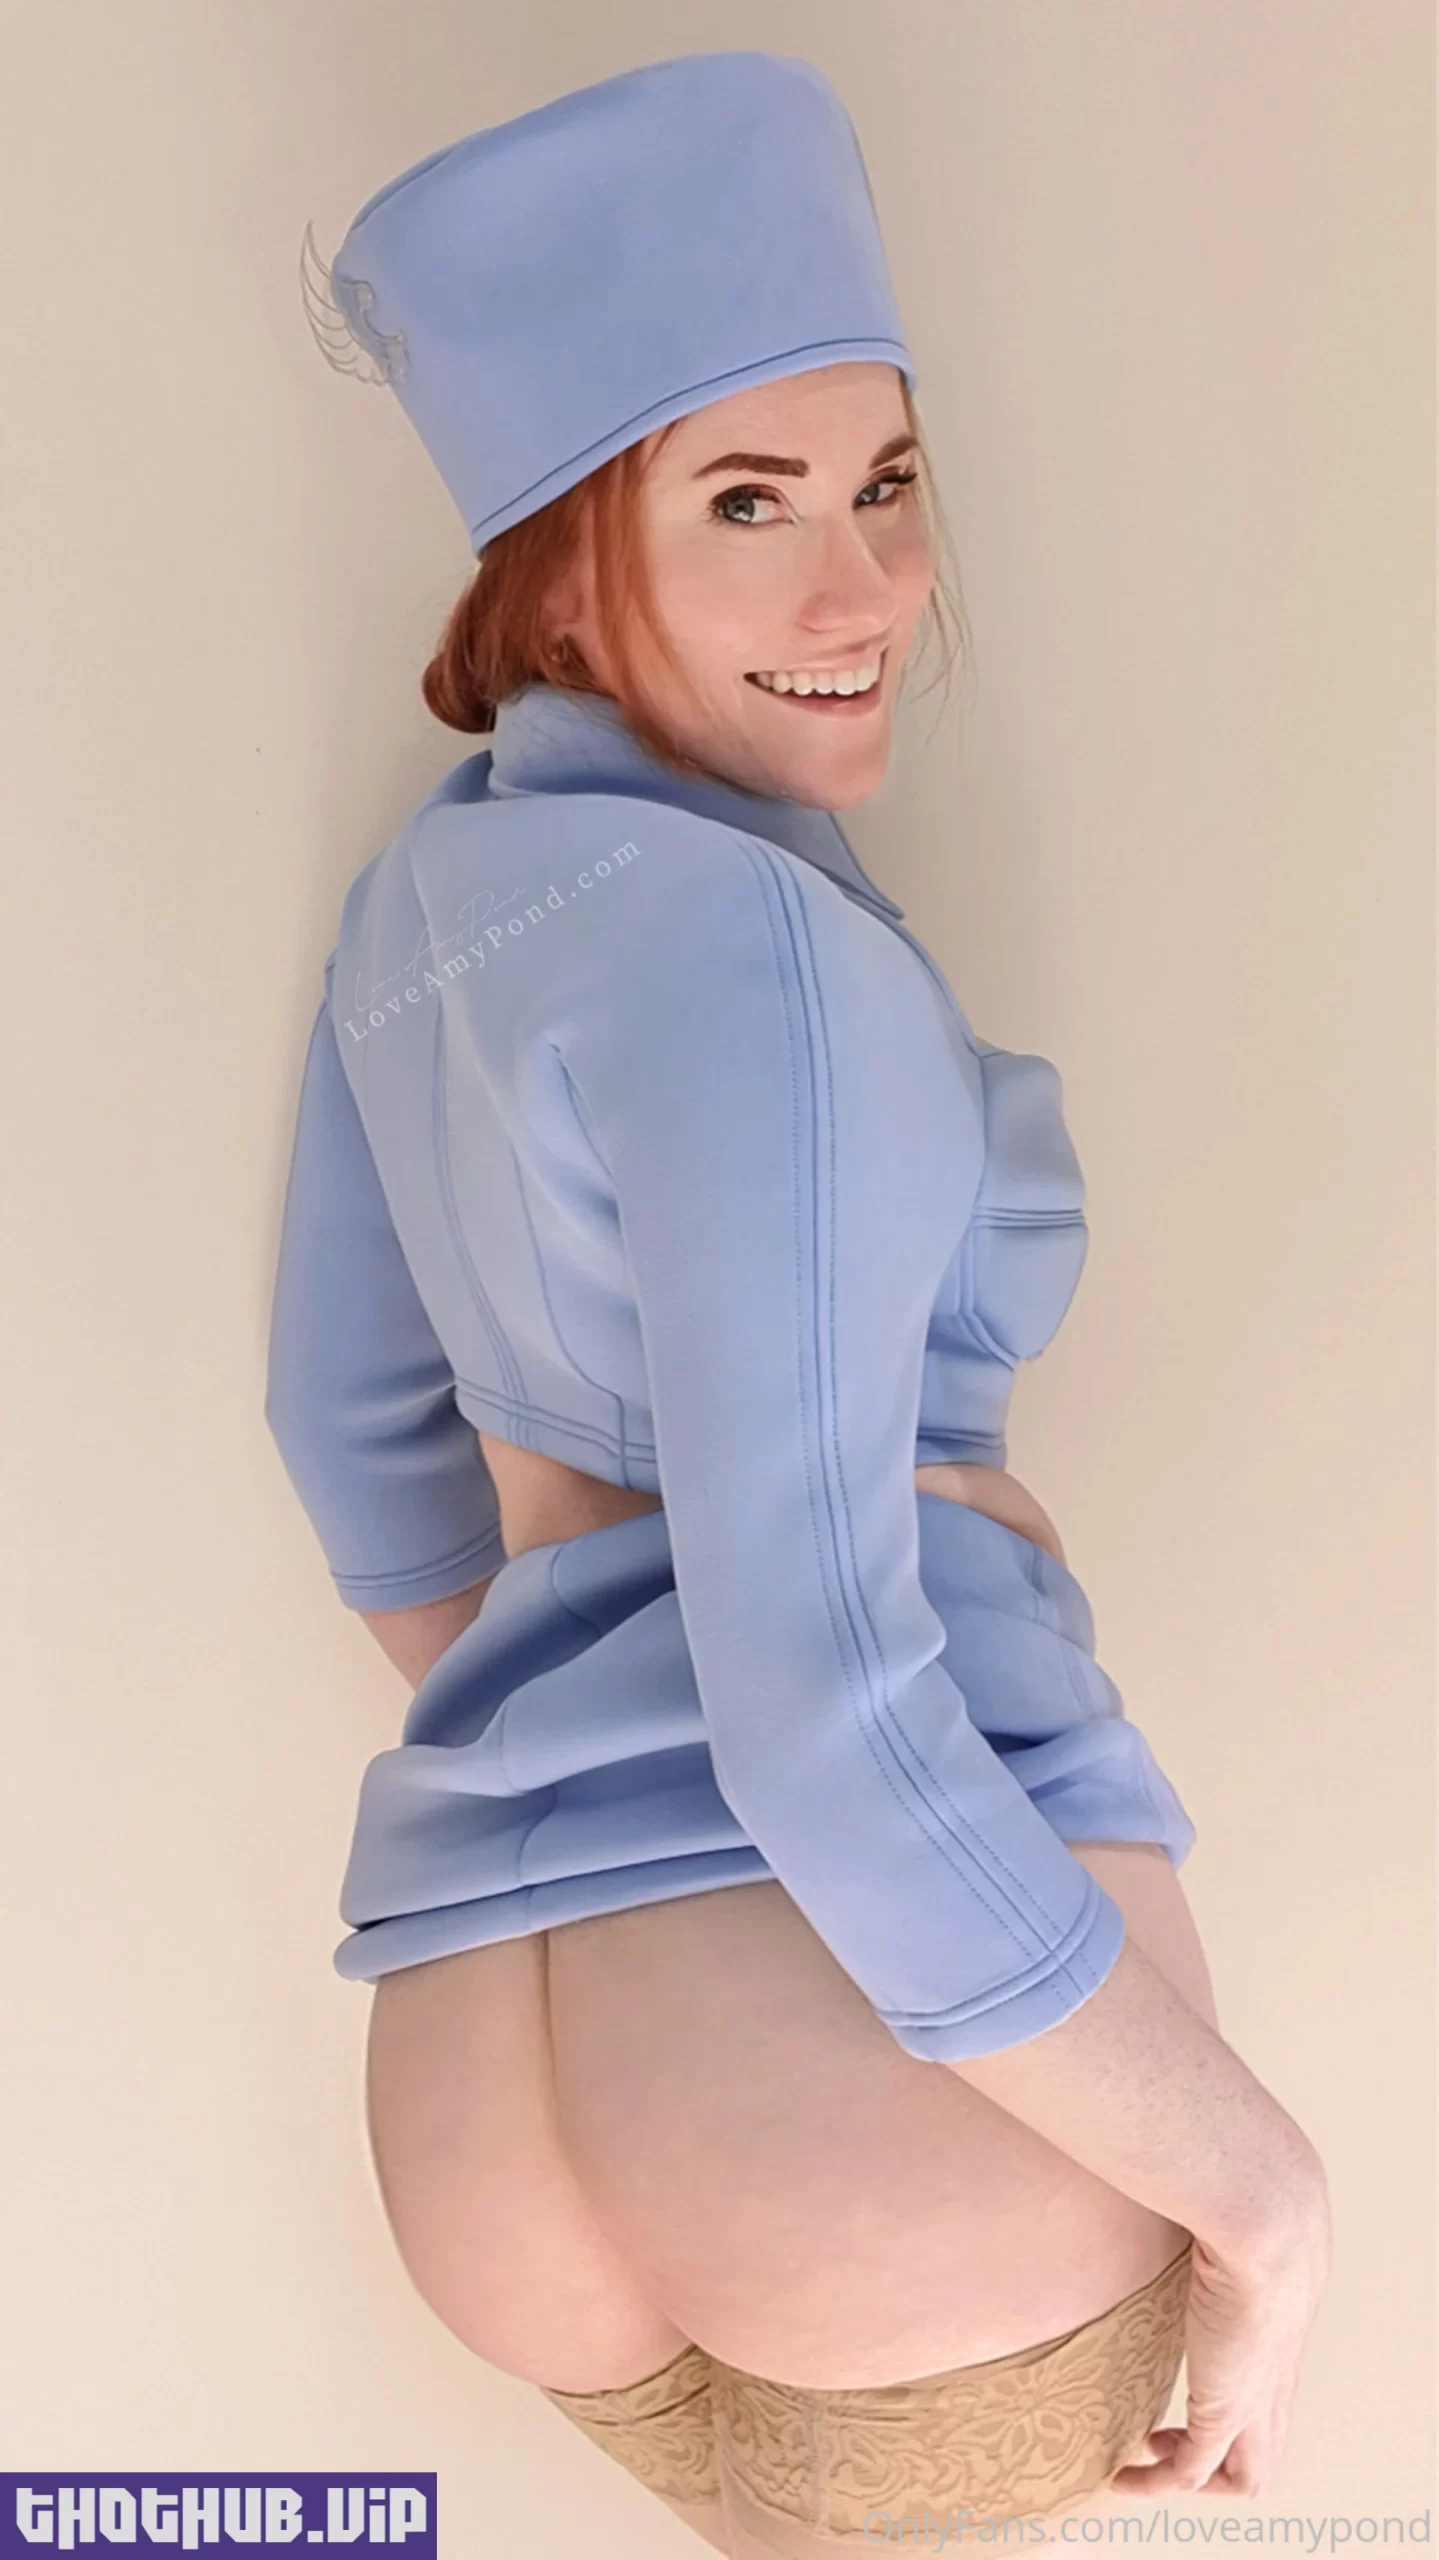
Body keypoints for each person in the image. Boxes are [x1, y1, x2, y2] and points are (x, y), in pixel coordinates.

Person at [272, 52, 1331, 2553]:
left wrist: (592, 1779)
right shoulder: (758, 955)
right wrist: (1261, 2191)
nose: (856, 592)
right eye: (743, 501)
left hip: (484, 2100)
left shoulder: (430, 905)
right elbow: (817, 1695)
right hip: (883, 2106)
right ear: (552, 568)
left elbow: (354, 1442)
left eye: (882, 484)